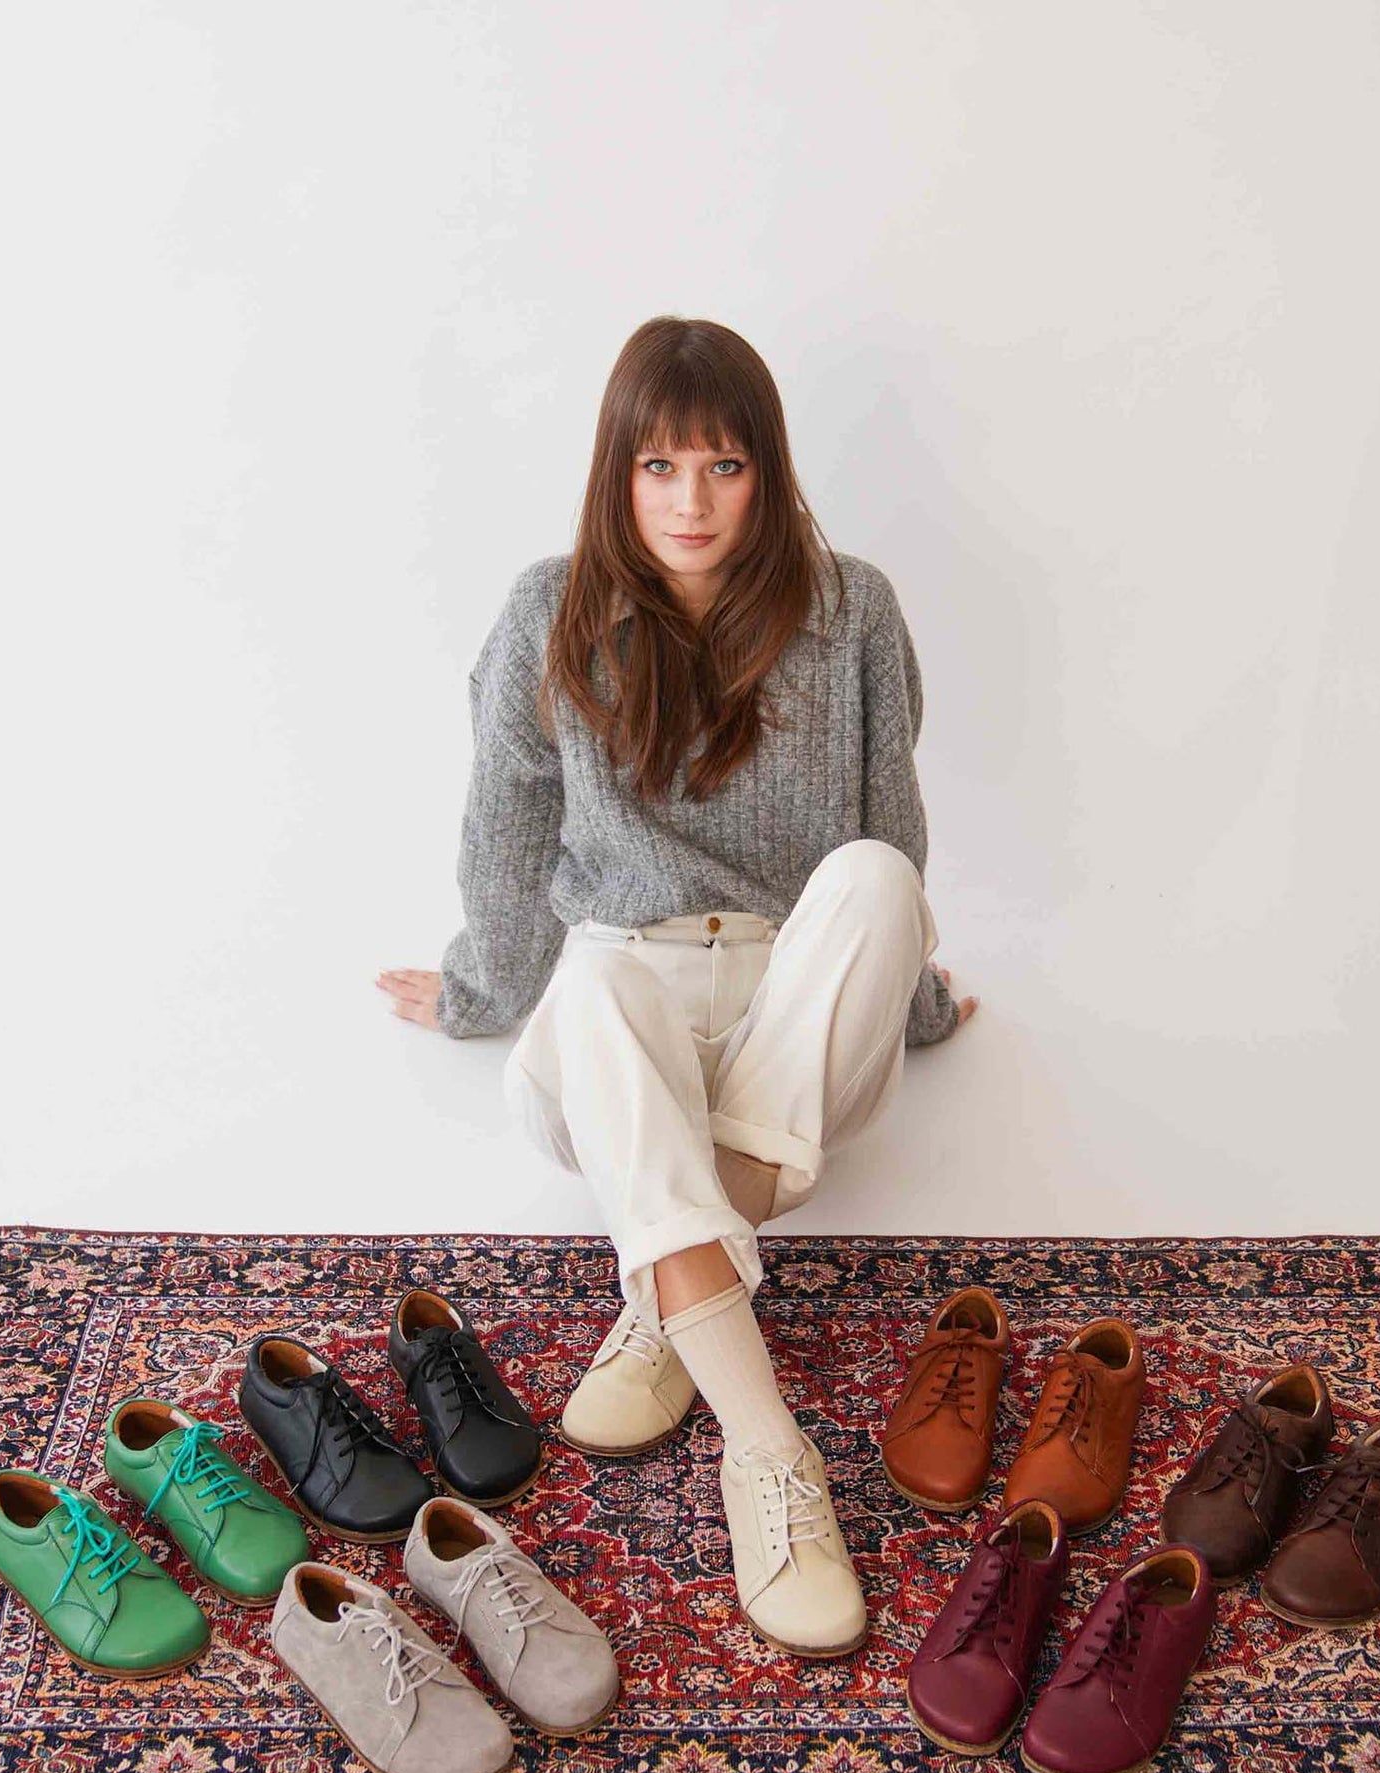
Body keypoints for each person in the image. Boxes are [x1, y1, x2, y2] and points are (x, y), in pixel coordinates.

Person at [375, 316, 978, 1658]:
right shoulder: (551, 608)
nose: (690, 502)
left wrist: (915, 1002)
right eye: (659, 467)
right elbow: (509, 828)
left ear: (766, 472)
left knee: (875, 871)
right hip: (620, 1020)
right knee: (586, 980)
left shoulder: (852, 608)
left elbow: (897, 834)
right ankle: (768, 1456)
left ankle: (663, 1298)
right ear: (617, 473)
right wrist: (481, 990)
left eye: (721, 466)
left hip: (782, 1021)